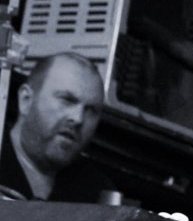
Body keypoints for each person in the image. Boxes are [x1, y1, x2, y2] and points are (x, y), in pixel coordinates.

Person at [0, 52, 113, 202]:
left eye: (90, 110)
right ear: (26, 100)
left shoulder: (97, 194)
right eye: (67, 100)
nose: (78, 118)